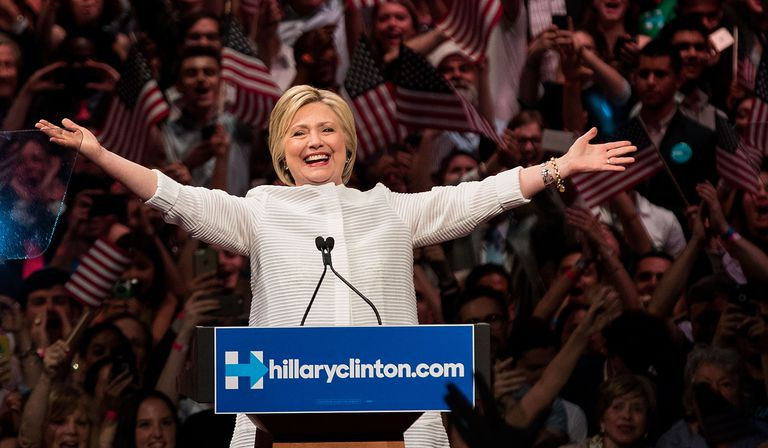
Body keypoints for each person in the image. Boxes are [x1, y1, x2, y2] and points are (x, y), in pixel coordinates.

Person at [36, 84, 635, 448]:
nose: (314, 139)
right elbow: (176, 197)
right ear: (281, 149)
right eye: (299, 131)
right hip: (283, 401)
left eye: (327, 129)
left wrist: (559, 168)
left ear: (348, 144)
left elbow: (477, 196)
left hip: (392, 401)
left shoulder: (390, 208)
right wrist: (98, 152)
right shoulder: (261, 208)